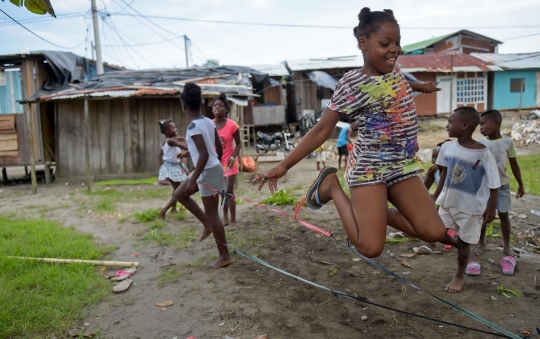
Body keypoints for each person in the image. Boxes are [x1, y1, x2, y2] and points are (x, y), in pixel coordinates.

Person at [254, 8, 455, 262]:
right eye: (385, 43)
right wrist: (284, 165)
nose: (394, 49)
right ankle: (332, 188)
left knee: (433, 231)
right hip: (369, 169)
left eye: (397, 42)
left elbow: (396, 85)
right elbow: (321, 130)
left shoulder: (394, 71)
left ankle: (374, 216)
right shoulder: (351, 84)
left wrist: (421, 86)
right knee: (370, 248)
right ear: (363, 43)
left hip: (401, 167)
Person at [159, 83, 232, 269]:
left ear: (183, 105)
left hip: (206, 171)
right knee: (179, 195)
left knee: (213, 214)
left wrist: (193, 179)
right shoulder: (208, 121)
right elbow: (216, 147)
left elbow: (205, 153)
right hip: (210, 168)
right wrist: (217, 164)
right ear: (200, 104)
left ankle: (224, 256)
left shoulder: (193, 127)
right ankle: (206, 224)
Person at [433, 107, 500, 293]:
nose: (447, 125)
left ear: (464, 125)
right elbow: (444, 173)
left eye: (450, 121)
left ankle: (459, 275)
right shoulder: (446, 148)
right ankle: (459, 244)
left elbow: (495, 183)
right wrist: (435, 199)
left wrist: (491, 208)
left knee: (464, 244)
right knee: (435, 233)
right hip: (447, 202)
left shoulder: (483, 153)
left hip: (471, 208)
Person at [473, 109, 525, 258]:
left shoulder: (507, 142)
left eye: (483, 124)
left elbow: (514, 164)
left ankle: (507, 245)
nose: (481, 127)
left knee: (503, 215)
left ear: (496, 124)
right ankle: (481, 242)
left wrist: (520, 184)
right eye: (479, 124)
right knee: (483, 215)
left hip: (502, 185)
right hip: (484, 186)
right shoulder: (480, 143)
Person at [212, 93, 242, 229]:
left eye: (220, 106)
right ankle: (224, 217)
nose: (217, 108)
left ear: (226, 110)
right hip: (216, 164)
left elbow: (239, 144)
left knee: (229, 191)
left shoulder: (232, 125)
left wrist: (233, 156)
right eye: (215, 106)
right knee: (221, 191)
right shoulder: (209, 125)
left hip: (230, 162)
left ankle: (233, 220)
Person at [158, 119, 189, 215]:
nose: (176, 129)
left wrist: (161, 169)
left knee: (177, 189)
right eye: (173, 128)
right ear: (167, 131)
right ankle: (163, 211)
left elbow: (159, 156)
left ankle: (173, 209)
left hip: (169, 166)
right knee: (179, 191)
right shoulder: (171, 141)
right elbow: (187, 148)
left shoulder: (165, 142)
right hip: (172, 167)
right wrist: (185, 140)